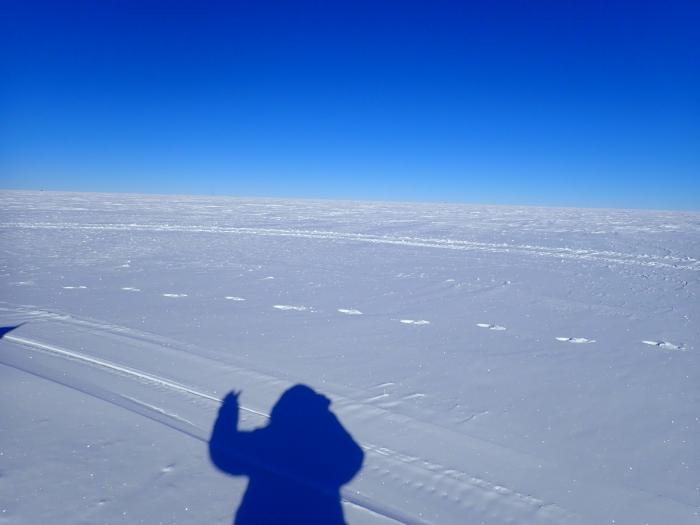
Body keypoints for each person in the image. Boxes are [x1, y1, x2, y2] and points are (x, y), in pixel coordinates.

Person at [209, 384, 364, 524]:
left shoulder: (269, 440)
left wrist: (228, 412)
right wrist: (327, 420)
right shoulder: (325, 445)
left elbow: (223, 452)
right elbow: (354, 456)